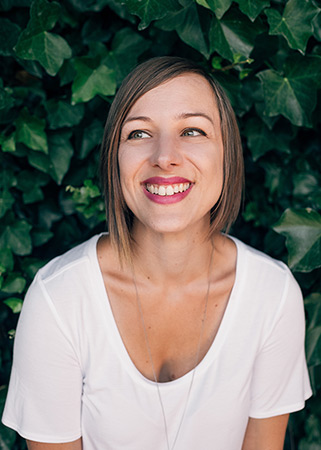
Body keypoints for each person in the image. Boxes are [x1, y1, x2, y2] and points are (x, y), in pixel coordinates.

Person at [2, 56, 312, 450]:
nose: (165, 155)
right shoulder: (58, 298)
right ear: (114, 160)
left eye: (193, 130)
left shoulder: (273, 293)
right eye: (138, 134)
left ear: (227, 155)